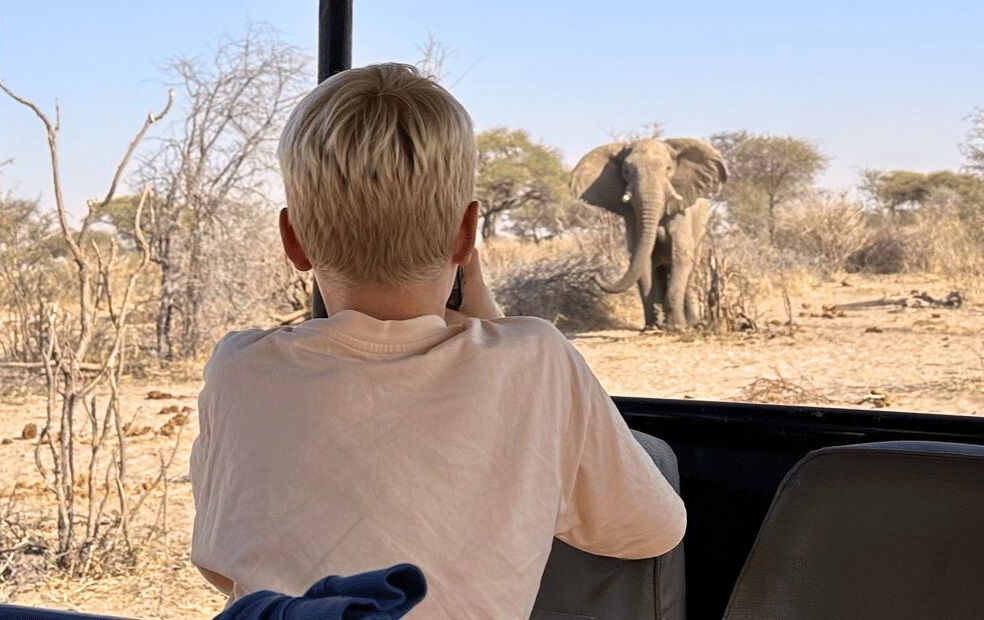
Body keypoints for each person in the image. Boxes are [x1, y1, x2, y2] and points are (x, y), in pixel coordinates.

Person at [190, 63, 686, 618]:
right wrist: (490, 318)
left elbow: (221, 566)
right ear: (467, 233)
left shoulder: (239, 367)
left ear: (293, 240)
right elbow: (654, 529)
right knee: (652, 457)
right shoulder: (536, 357)